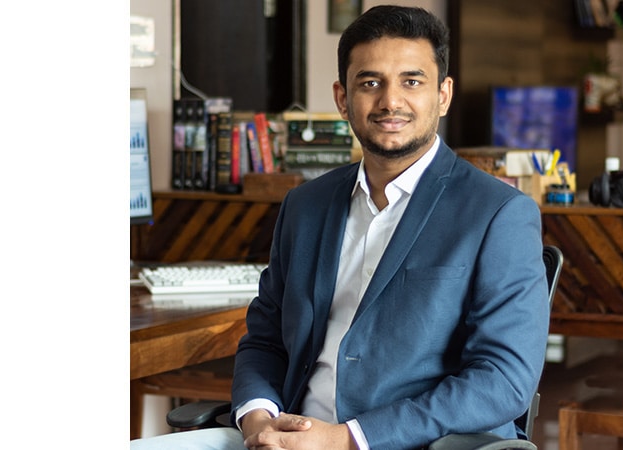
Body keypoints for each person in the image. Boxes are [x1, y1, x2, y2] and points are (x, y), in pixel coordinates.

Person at [131, 5, 548, 450]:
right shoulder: (305, 206)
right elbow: (266, 339)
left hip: (407, 443)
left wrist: (346, 439)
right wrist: (257, 420)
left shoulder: (499, 213)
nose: (390, 102)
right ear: (342, 98)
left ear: (443, 95)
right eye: (370, 83)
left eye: (412, 81)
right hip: (286, 439)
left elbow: (503, 380)